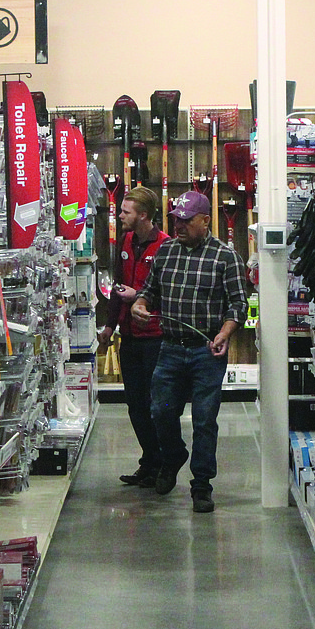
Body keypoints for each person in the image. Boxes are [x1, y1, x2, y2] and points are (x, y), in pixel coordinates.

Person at [131, 191, 247, 513]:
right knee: (161, 411)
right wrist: (140, 305)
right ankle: (173, 455)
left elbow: (239, 304)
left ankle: (201, 485)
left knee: (204, 420)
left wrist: (224, 333)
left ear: (206, 220)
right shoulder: (166, 252)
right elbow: (149, 292)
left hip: (206, 352)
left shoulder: (225, 258)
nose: (179, 225)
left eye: (186, 220)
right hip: (169, 349)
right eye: (176, 220)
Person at [98, 186, 169, 488]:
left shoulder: (166, 246)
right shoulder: (126, 241)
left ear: (142, 215)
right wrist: (109, 327)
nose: (120, 215)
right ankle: (149, 461)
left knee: (157, 406)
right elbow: (118, 288)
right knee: (135, 406)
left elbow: (169, 294)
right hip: (129, 337)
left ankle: (163, 464)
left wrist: (138, 296)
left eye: (125, 211)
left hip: (155, 337)